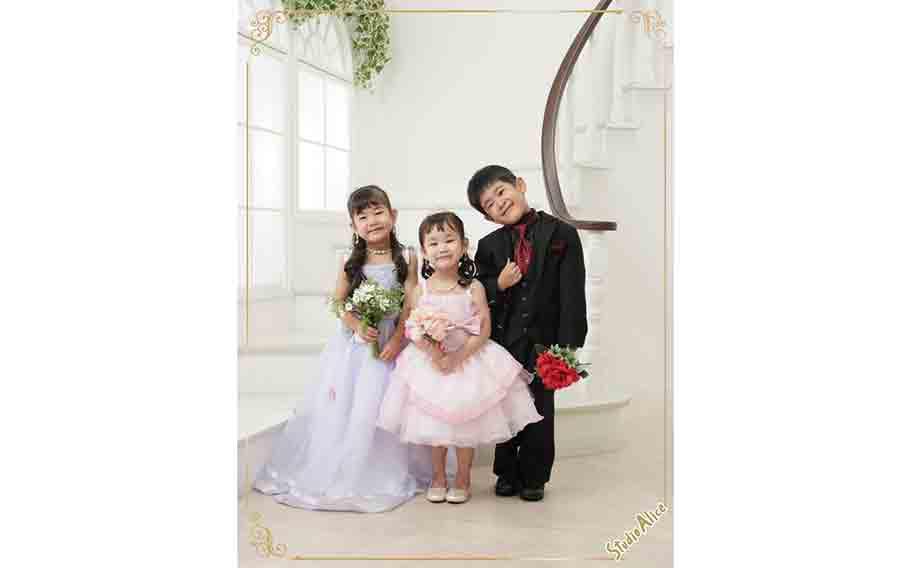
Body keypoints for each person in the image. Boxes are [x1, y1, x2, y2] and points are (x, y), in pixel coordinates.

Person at [253, 185, 431, 512]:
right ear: (353, 227)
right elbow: (338, 303)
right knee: (358, 402)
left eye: (378, 212)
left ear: (393, 216)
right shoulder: (350, 261)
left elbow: (409, 301)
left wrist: (398, 338)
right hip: (359, 349)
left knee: (387, 406)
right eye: (362, 216)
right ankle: (349, 466)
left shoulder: (408, 256)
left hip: (394, 341)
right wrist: (359, 326)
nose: (372, 221)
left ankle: (387, 467)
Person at [377, 211, 542, 504]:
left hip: (468, 361)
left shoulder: (473, 287)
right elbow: (412, 328)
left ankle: (463, 477)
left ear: (464, 246)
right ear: (425, 252)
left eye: (449, 240)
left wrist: (458, 357)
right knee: (435, 426)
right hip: (430, 364)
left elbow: (484, 329)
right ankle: (438, 476)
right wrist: (435, 355)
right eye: (434, 243)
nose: (443, 248)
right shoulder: (420, 290)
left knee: (466, 424)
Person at [467, 165, 588, 502]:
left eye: (502, 192)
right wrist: (498, 284)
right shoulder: (489, 245)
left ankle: (535, 476)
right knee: (505, 407)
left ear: (519, 185)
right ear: (488, 217)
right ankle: (506, 472)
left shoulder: (562, 234)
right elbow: (477, 291)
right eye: (489, 204)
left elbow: (572, 294)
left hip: (544, 340)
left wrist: (567, 347)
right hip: (504, 342)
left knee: (539, 409)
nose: (500, 203)